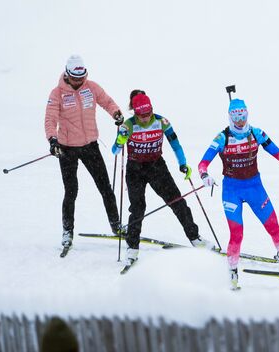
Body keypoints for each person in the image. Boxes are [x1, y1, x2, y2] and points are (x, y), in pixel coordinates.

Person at [198, 98, 279, 290]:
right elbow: (203, 163)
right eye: (235, 116)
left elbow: (276, 151)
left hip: (255, 187)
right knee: (237, 234)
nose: (240, 120)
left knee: (273, 226)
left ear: (247, 114)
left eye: (243, 115)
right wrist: (204, 176)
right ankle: (232, 273)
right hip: (232, 191)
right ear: (230, 116)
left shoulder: (256, 133)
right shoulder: (222, 137)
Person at [112, 90, 214, 265]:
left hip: (156, 166)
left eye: (148, 114)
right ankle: (132, 247)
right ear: (134, 112)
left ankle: (195, 238)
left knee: (177, 202)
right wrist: (120, 139)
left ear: (152, 110)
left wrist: (183, 163)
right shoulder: (127, 126)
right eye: (141, 115)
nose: (145, 118)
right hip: (135, 169)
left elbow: (175, 144)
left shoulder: (162, 122)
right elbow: (115, 150)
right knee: (137, 208)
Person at [45, 55, 124, 248]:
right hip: (66, 149)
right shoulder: (57, 94)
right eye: (75, 78)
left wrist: (116, 113)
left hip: (90, 146)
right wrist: (52, 139)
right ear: (67, 74)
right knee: (71, 191)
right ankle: (67, 231)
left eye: (82, 78)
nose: (79, 82)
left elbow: (107, 101)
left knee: (105, 187)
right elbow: (50, 119)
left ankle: (117, 226)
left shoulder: (92, 87)